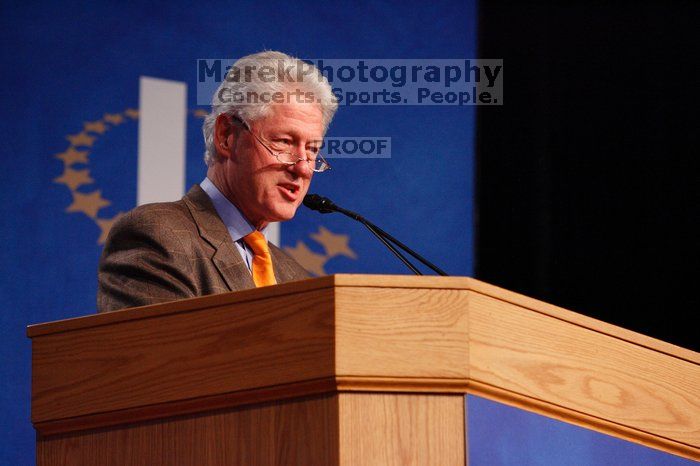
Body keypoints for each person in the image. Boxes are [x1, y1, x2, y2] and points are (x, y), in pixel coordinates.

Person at [97, 51, 338, 312]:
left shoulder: (296, 277)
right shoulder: (158, 236)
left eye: (312, 150)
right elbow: (157, 352)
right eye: (284, 142)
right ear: (226, 136)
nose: (302, 167)